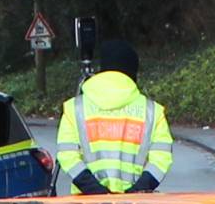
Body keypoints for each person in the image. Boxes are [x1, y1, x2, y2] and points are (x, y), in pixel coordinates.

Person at [56, 40, 174, 194]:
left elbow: (67, 155)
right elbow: (161, 159)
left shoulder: (75, 108)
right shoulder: (152, 111)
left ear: (102, 69)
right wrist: (137, 191)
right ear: (133, 71)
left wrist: (96, 192)